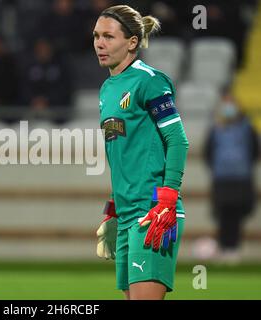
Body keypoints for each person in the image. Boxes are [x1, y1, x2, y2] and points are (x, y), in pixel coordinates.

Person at [93, 5, 189, 300]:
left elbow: (178, 140)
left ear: (132, 42)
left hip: (152, 212)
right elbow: (122, 154)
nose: (99, 43)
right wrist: (113, 207)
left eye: (109, 36)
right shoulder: (107, 90)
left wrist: (168, 199)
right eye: (96, 36)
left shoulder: (150, 81)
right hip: (125, 216)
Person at [203, 89, 261, 263]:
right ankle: (223, 248)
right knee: (222, 214)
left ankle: (234, 248)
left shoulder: (247, 126)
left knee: (237, 213)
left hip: (241, 179)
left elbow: (256, 150)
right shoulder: (215, 128)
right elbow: (209, 152)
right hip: (222, 179)